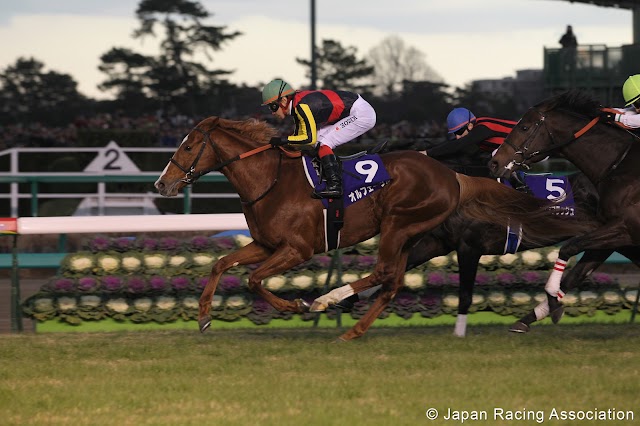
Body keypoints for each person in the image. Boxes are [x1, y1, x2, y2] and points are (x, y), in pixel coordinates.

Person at [261, 79, 377, 199]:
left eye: (272, 107)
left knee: (323, 143)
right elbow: (299, 136)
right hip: (353, 108)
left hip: (361, 114)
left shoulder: (301, 106)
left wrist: (282, 140)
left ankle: (335, 185)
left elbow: (308, 139)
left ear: (284, 100)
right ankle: (325, 172)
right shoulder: (296, 106)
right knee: (318, 140)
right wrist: (283, 142)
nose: (272, 112)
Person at [427, 107, 530, 191]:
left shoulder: (482, 129)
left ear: (470, 125)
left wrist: (427, 153)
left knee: (496, 155)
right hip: (519, 150)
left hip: (533, 146)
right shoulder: (478, 131)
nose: (457, 136)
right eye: (455, 133)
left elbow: (458, 144)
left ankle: (520, 186)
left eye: (459, 132)